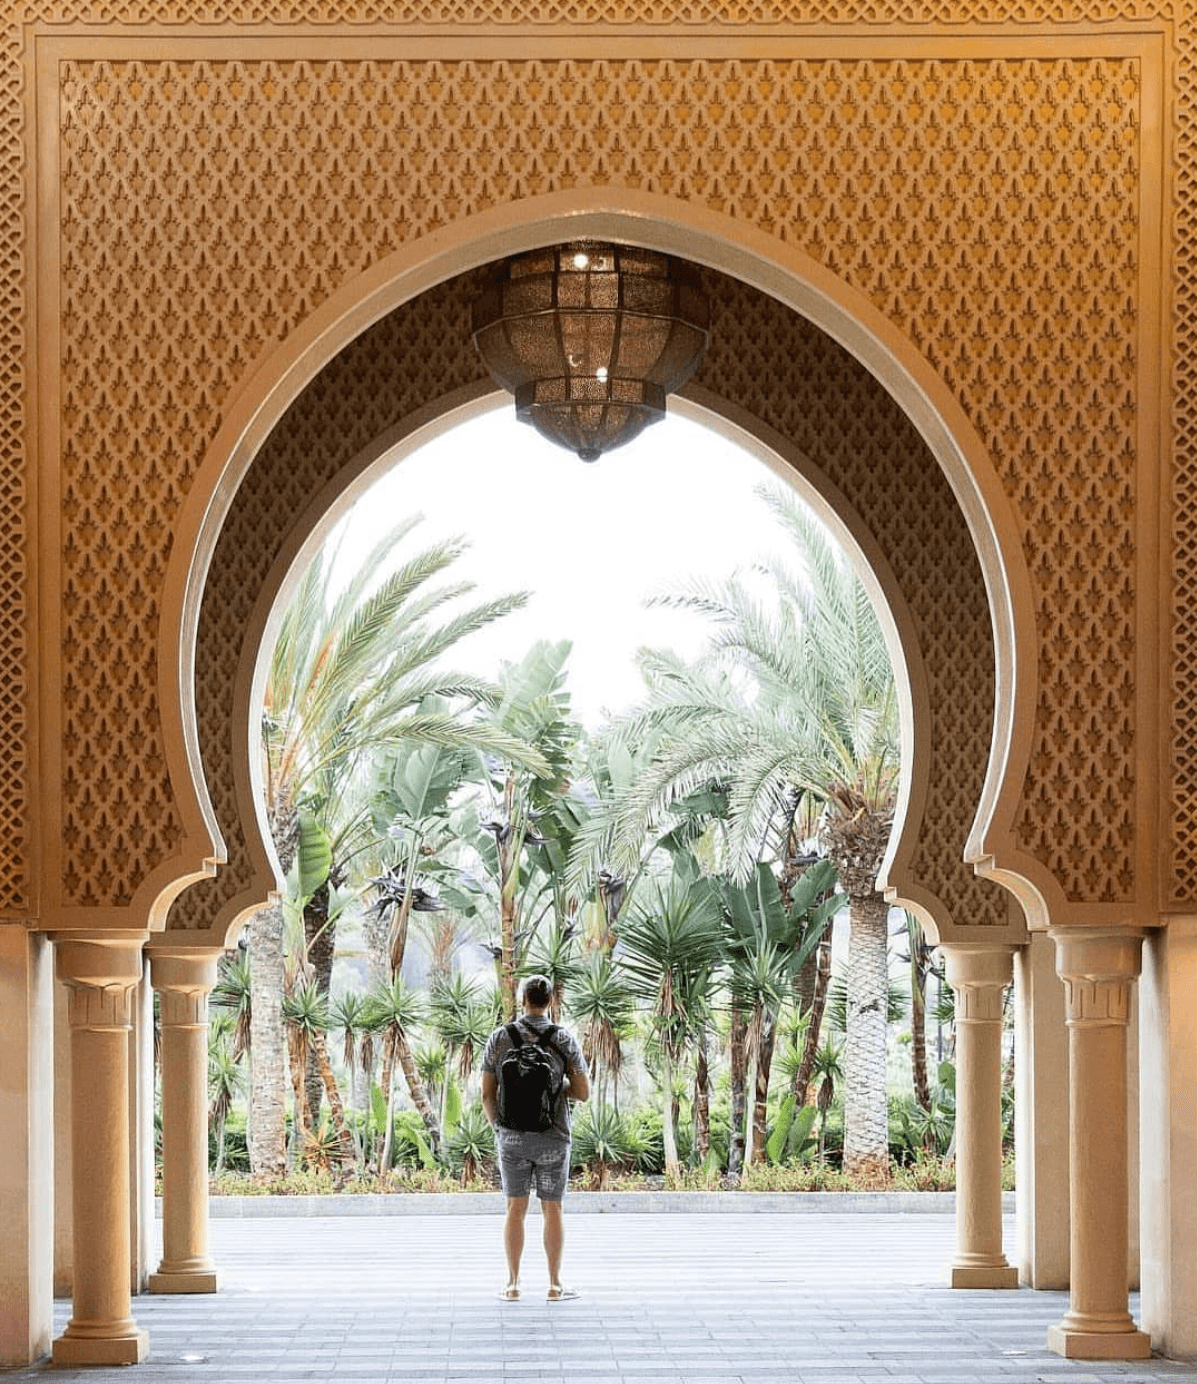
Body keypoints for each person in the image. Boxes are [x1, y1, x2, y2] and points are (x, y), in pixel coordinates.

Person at [481, 974, 590, 1302]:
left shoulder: (500, 1038)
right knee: (552, 1208)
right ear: (550, 1002)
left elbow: (487, 1094)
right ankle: (555, 1285)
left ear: (522, 1000)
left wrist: (499, 1128)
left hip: (512, 1137)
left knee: (515, 1207)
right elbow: (583, 1093)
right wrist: (557, 1089)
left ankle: (513, 1285)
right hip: (553, 1137)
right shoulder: (564, 1039)